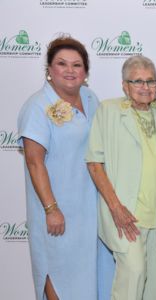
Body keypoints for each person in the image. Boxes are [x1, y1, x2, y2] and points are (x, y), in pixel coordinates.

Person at [86, 55, 156, 300]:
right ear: (124, 85)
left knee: (152, 287)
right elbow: (95, 163)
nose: (145, 87)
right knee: (133, 275)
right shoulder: (108, 110)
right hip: (125, 214)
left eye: (151, 81)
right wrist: (115, 207)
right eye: (137, 81)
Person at [17, 36, 102, 300]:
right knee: (60, 278)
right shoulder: (37, 106)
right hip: (57, 214)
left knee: (88, 281)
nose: (69, 70)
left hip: (89, 213)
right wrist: (51, 209)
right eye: (62, 63)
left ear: (85, 72)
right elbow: (34, 161)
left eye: (77, 65)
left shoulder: (90, 98)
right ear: (49, 70)